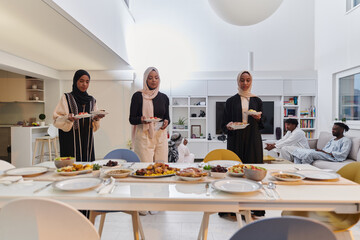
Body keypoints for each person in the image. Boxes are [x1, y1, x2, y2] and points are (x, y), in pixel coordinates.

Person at [53, 69, 105, 162]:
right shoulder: (67, 97)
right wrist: (67, 118)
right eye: (81, 81)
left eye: (87, 82)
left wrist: (96, 118)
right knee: (70, 168)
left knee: (87, 166)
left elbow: (94, 123)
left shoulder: (91, 100)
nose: (84, 84)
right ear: (75, 81)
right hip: (70, 139)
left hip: (87, 138)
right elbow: (56, 119)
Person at [221, 71, 264, 163]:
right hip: (236, 137)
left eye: (248, 80)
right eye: (242, 80)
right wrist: (228, 126)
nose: (245, 83)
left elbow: (262, 123)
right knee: (235, 166)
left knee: (253, 167)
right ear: (238, 82)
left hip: (252, 137)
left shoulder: (257, 100)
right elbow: (224, 123)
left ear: (251, 82)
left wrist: (258, 118)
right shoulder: (230, 101)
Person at [129, 67, 170, 162]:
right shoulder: (138, 96)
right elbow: (131, 119)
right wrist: (141, 120)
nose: (153, 80)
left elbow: (167, 117)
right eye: (150, 78)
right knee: (145, 166)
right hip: (144, 135)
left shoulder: (164, 97)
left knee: (162, 166)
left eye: (156, 77)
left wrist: (167, 122)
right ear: (145, 79)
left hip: (161, 134)